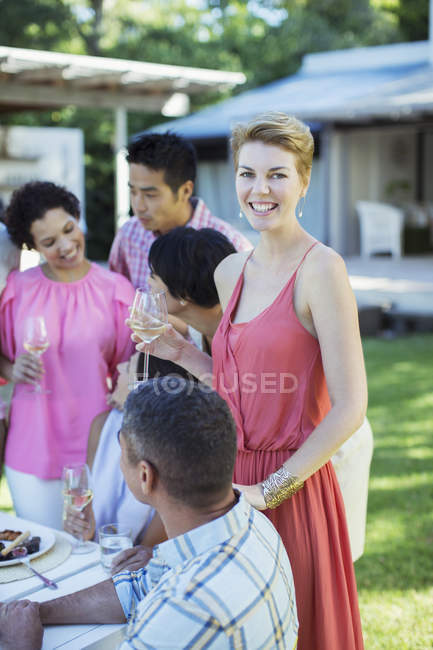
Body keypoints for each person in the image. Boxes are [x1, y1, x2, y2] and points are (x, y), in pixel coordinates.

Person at [131, 112, 367, 650]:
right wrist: (179, 352)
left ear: (303, 181)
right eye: (247, 173)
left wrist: (269, 490)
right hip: (228, 484)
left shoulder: (322, 269)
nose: (260, 189)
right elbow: (236, 388)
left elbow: (351, 406)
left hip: (292, 488)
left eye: (277, 174)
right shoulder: (230, 271)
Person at [0, 379, 299, 650]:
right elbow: (141, 587)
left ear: (145, 476)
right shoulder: (253, 524)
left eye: (122, 452)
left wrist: (20, 643)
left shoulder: (183, 612)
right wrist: (34, 612)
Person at [0, 181, 134, 529]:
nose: (66, 245)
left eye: (68, 229)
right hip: (32, 448)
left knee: (93, 560)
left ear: (77, 218)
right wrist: (12, 369)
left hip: (99, 448)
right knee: (42, 554)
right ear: (33, 246)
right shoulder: (17, 288)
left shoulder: (117, 290)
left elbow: (131, 367)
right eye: (49, 242)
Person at [109, 131, 252, 291]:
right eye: (133, 192)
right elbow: (117, 298)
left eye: (150, 195)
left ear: (185, 190)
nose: (139, 205)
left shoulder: (233, 247)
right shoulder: (129, 234)